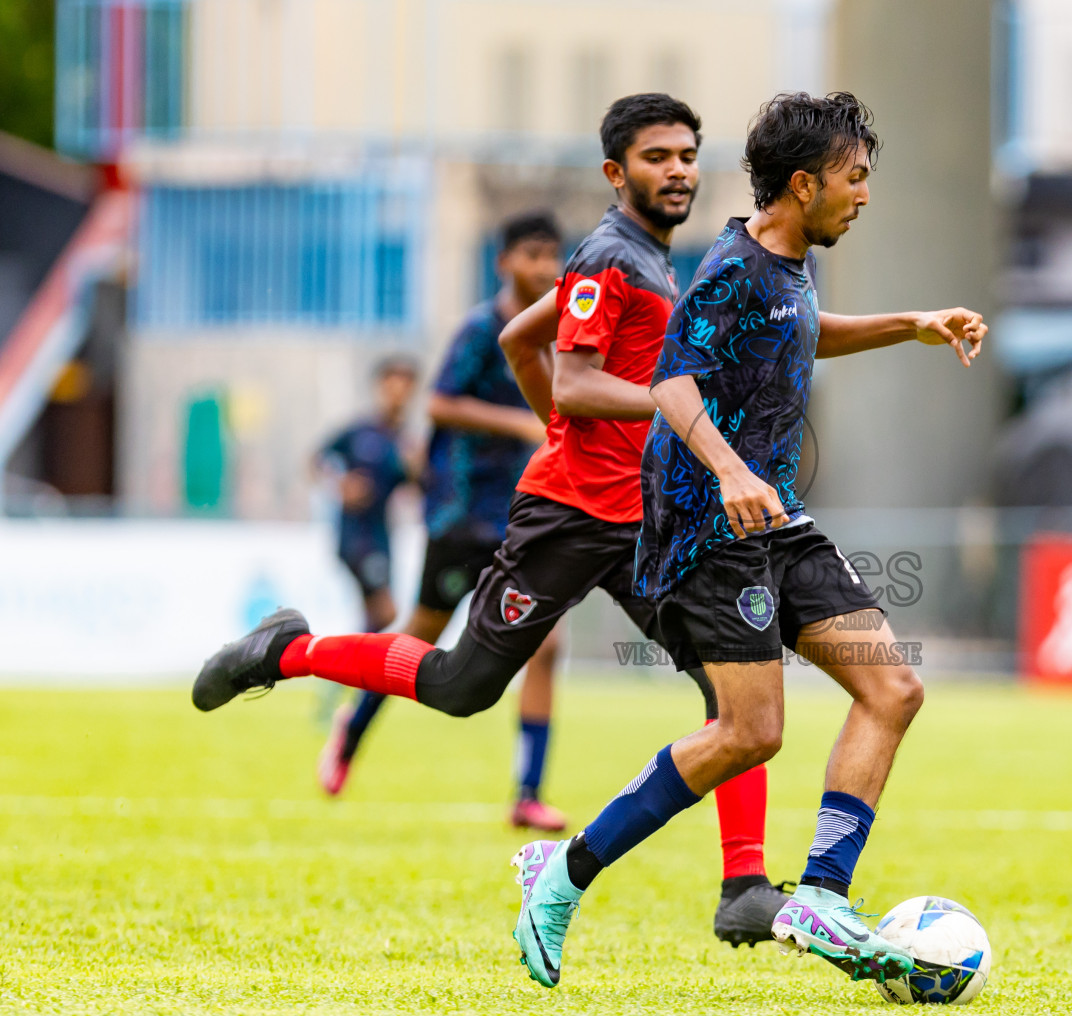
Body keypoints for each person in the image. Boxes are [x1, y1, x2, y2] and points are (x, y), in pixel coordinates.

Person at [195, 95, 790, 947]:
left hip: (642, 521)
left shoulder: (657, 262)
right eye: (658, 156)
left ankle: (744, 884)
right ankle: (286, 651)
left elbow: (520, 338)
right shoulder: (611, 255)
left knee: (733, 699)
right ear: (617, 173)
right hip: (569, 517)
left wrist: (574, 423)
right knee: (460, 685)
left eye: (689, 154)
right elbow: (576, 379)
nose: (680, 170)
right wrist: (649, 419)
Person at [509, 91, 988, 989]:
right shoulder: (732, 268)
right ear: (803, 185)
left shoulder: (791, 266)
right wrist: (731, 470)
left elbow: (801, 338)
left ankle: (822, 895)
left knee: (892, 687)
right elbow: (674, 386)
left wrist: (911, 323)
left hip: (776, 525)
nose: (866, 194)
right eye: (856, 178)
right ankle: (563, 871)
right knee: (749, 732)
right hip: (706, 532)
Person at [314, 213, 568, 834]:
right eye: (532, 254)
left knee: (549, 644)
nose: (545, 267)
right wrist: (519, 424)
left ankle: (527, 793)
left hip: (520, 515)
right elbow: (439, 402)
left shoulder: (556, 334)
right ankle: (351, 729)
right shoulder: (485, 329)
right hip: (461, 516)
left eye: (553, 256)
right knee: (419, 639)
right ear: (504, 261)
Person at [313, 356, 418, 636]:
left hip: (382, 535)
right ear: (380, 387)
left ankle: (350, 674)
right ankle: (337, 665)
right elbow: (317, 460)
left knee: (374, 618)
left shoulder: (407, 442)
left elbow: (417, 486)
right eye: (391, 385)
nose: (397, 394)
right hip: (356, 537)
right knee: (387, 612)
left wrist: (417, 473)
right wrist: (339, 483)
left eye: (405, 387)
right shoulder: (359, 432)